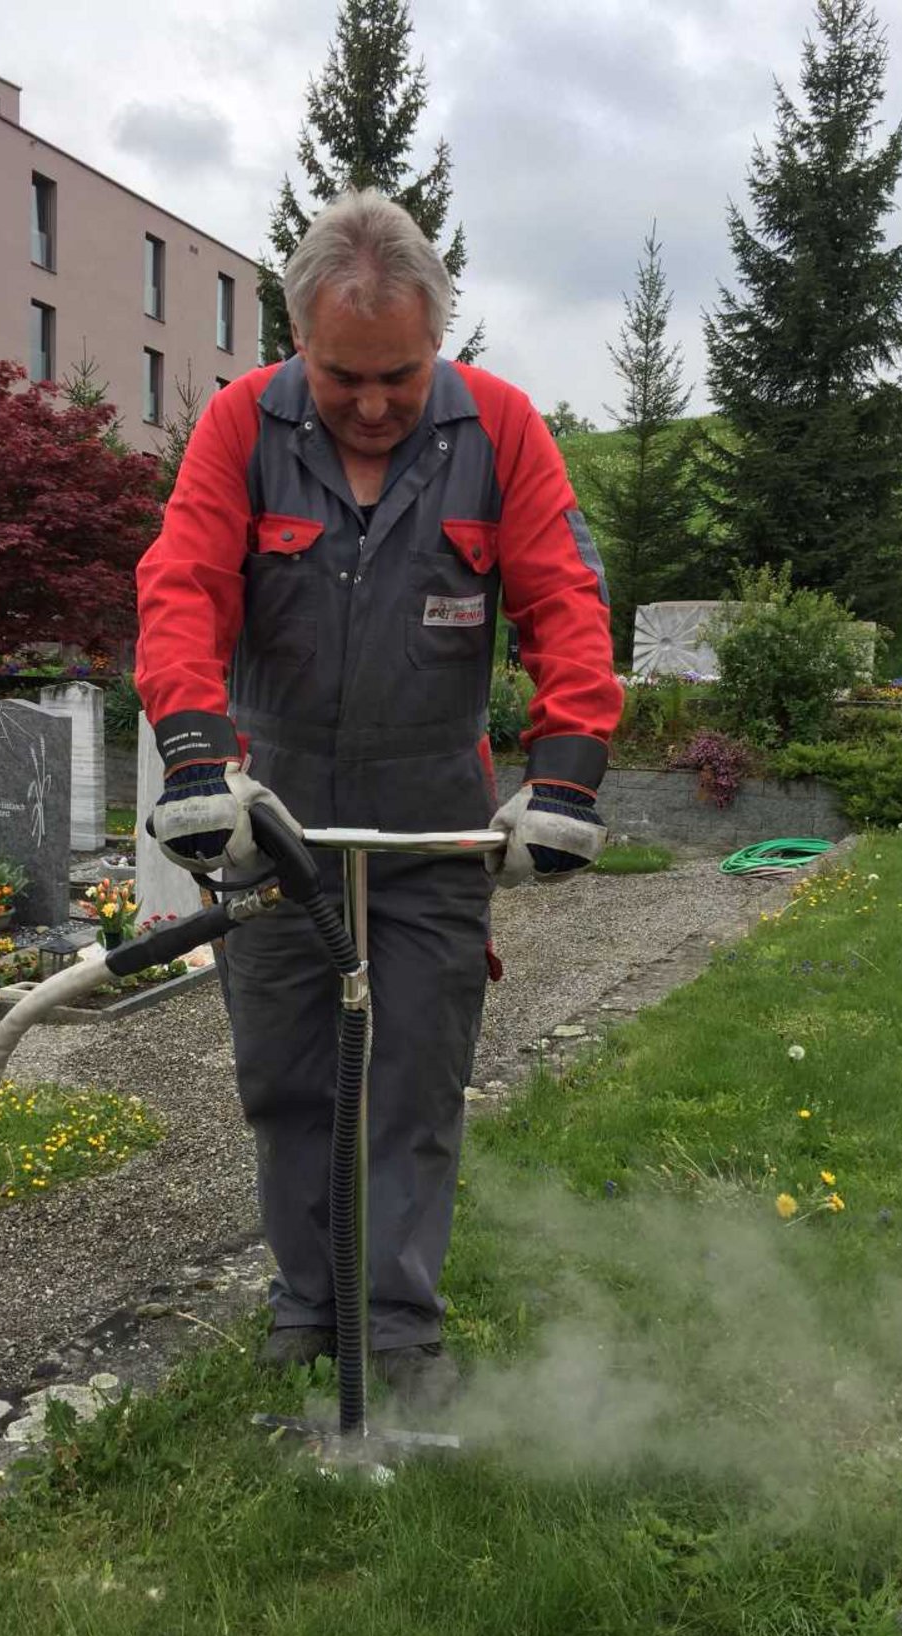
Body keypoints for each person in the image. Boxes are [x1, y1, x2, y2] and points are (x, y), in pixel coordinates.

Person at [135, 189, 621, 1409]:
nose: (367, 404)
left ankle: (398, 1326)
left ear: (438, 336)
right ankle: (306, 1304)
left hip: (430, 823)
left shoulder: (500, 428)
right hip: (276, 819)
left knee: (410, 1078)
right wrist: (194, 758)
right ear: (296, 341)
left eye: (396, 376)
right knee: (288, 1076)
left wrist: (564, 774)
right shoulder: (241, 427)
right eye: (342, 375)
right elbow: (182, 584)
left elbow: (565, 602)